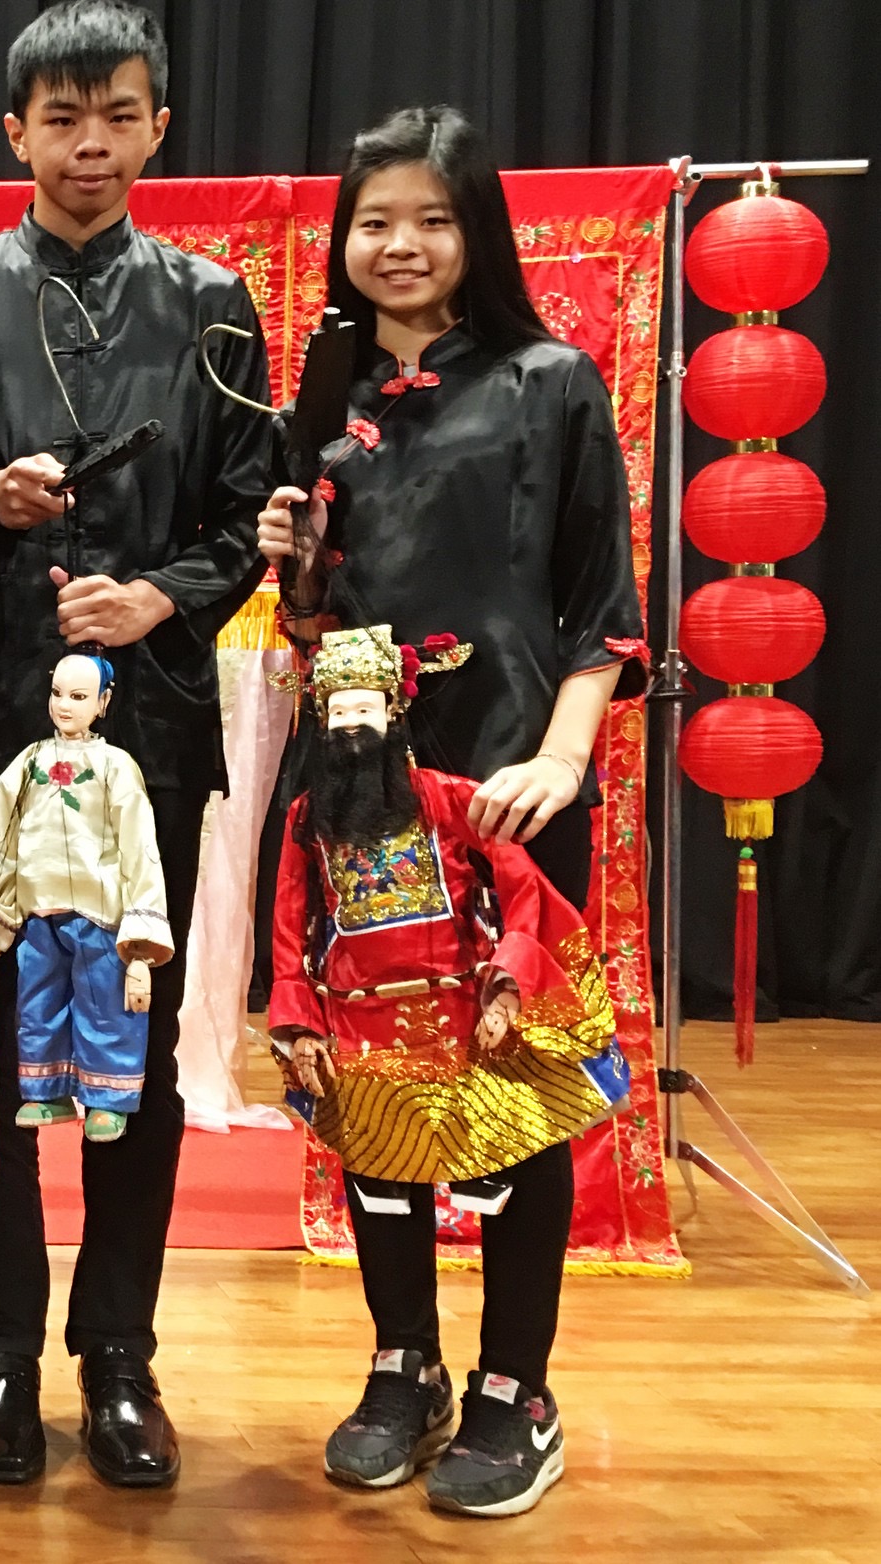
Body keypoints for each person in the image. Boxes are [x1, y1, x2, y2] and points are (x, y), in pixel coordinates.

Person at [0, 0, 272, 1490]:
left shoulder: (215, 303)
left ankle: (118, 1354)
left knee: (138, 1043)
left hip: (157, 738)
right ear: (14, 133)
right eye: (59, 118)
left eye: (116, 114)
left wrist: (163, 596)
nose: (88, 143)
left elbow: (249, 518)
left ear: (157, 127)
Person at [269, 624, 630, 1518]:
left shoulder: (451, 800)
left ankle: (518, 1391)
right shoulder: (309, 822)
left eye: (366, 710)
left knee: (505, 1183)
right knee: (384, 1189)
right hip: (363, 1045)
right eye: (337, 712)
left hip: (472, 1036)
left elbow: (522, 888)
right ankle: (407, 1367)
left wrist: (512, 974)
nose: (352, 728)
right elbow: (285, 928)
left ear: (395, 713)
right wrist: (294, 1021)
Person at [254, 103, 647, 909]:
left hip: (512, 777)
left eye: (433, 220)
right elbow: (313, 632)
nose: (401, 246)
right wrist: (299, 568)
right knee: (369, 1026)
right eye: (375, 223)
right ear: (345, 239)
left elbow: (602, 603)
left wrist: (559, 765)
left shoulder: (552, 382)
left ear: (478, 233)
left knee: (526, 1026)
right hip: (356, 774)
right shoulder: (320, 405)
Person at [0, 654, 171, 1143]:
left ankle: (107, 1097)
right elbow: (1, 843)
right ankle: (46, 1090)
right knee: (38, 1001)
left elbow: (139, 848)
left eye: (79, 697)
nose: (65, 705)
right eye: (58, 694)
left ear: (103, 703)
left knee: (106, 1005)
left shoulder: (116, 766)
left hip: (100, 913)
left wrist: (139, 944)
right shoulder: (27, 763)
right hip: (38, 912)